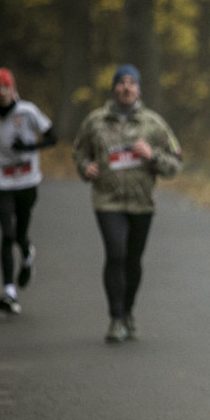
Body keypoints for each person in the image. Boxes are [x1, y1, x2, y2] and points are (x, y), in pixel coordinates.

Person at [72, 64, 182, 343]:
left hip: (142, 204)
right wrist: (85, 168)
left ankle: (129, 311)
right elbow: (79, 152)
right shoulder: (95, 121)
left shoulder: (154, 124)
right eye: (121, 82)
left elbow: (176, 163)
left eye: (132, 83)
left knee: (133, 261)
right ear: (113, 89)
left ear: (139, 90)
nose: (126, 87)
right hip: (107, 201)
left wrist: (153, 156)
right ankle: (115, 318)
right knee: (116, 254)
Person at [0, 68, 57, 315]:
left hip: (28, 180)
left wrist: (30, 147)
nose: (1, 92)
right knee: (6, 234)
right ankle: (9, 291)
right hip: (2, 182)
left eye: (5, 87)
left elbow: (52, 137)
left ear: (12, 89)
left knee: (20, 232)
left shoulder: (28, 112)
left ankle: (27, 253)